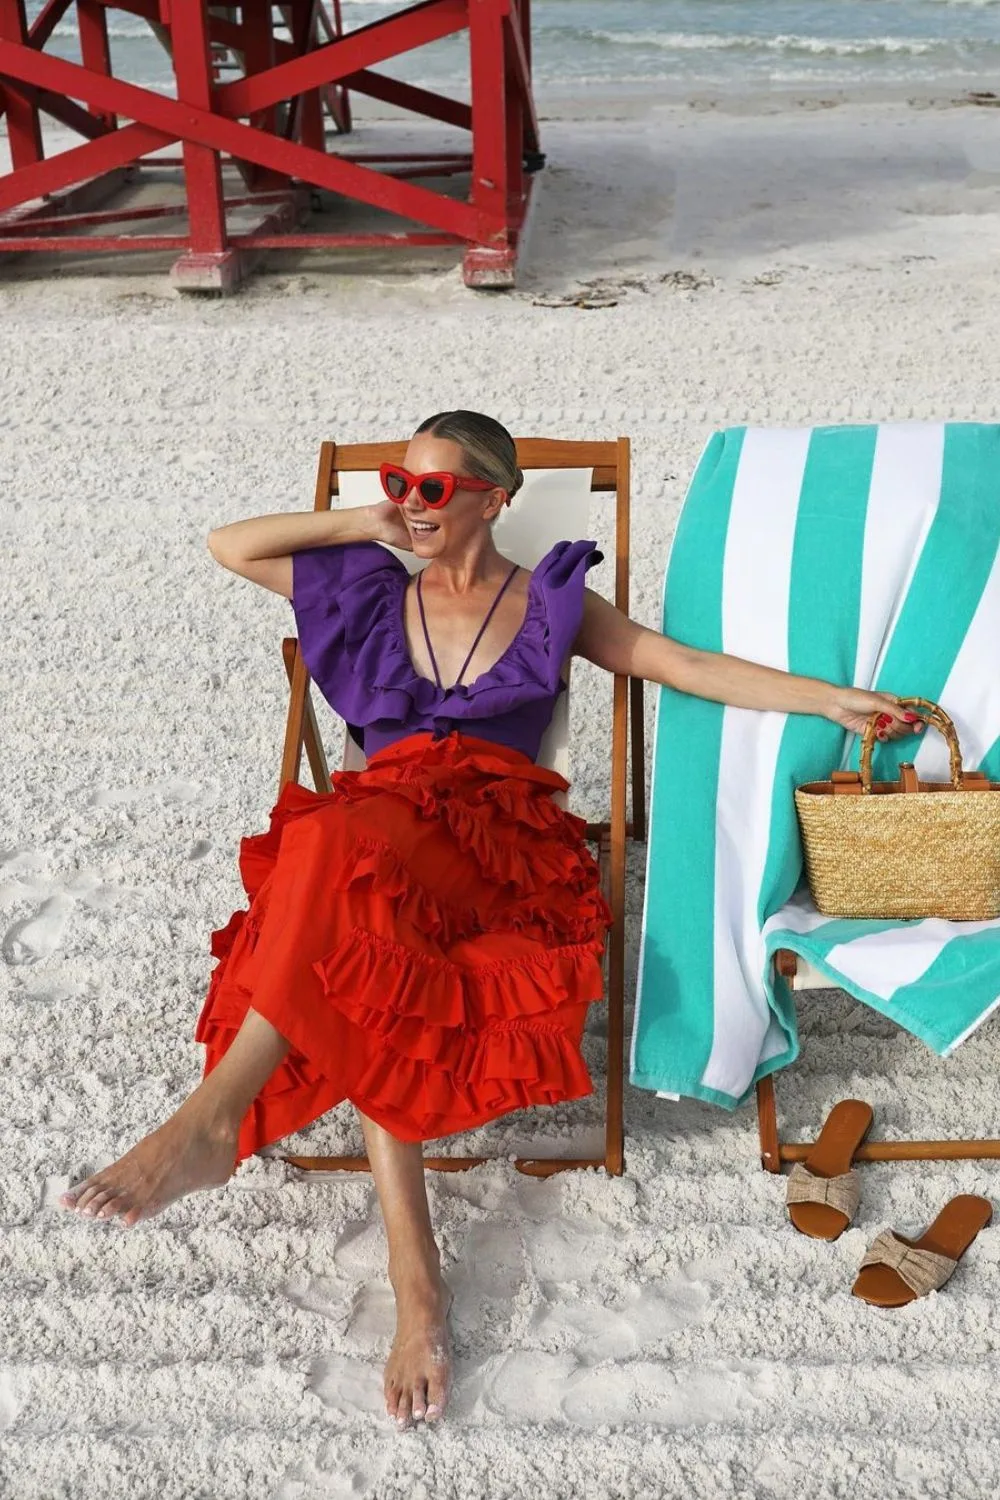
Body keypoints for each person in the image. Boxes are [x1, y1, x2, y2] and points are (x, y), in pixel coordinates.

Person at [60, 410, 920, 1428]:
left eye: (433, 489)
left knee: (337, 852)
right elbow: (227, 546)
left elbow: (672, 663)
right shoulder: (364, 586)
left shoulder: (550, 602)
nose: (411, 504)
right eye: (399, 482)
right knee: (361, 892)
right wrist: (359, 524)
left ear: (493, 498)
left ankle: (216, 1120)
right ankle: (412, 1279)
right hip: (373, 844)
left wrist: (830, 700)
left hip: (495, 842)